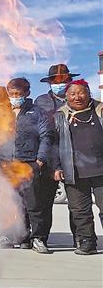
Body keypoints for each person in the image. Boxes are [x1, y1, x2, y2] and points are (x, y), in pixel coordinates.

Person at [0, 78, 54, 253]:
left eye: (18, 94)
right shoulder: (2, 113)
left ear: (27, 93)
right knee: (8, 203)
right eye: (12, 94)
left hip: (28, 164)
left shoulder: (37, 112)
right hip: (6, 165)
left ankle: (38, 238)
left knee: (33, 204)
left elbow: (46, 136)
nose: (15, 97)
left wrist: (40, 160)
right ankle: (9, 235)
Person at [53, 80, 100, 255]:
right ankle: (87, 242)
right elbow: (54, 144)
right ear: (67, 96)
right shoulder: (60, 115)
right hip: (74, 170)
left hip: (100, 168)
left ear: (88, 93)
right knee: (80, 211)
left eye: (81, 93)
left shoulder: (100, 110)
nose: (77, 97)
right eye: (72, 94)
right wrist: (57, 166)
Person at [35, 64, 79, 245]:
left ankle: (80, 238)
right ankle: (41, 237)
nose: (59, 83)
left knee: (77, 204)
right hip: (49, 159)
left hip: (75, 158)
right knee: (44, 203)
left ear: (70, 81)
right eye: (55, 81)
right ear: (50, 83)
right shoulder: (41, 102)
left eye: (63, 80)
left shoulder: (78, 100)